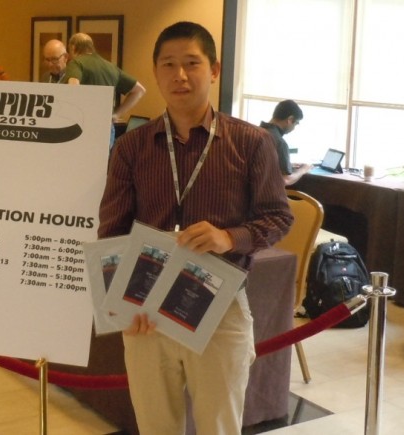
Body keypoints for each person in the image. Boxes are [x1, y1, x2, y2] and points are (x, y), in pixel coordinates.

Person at [98, 21, 292, 434]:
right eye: (168, 64)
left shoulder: (251, 143)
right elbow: (112, 230)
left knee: (219, 426)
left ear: (214, 70)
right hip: (146, 311)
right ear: (155, 73)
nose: (179, 75)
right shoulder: (132, 146)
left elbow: (278, 216)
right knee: (155, 426)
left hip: (219, 304)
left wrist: (229, 238)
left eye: (192, 63)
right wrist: (124, 303)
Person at [64, 32, 146, 146]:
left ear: (73, 48)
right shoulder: (111, 67)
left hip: (85, 126)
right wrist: (116, 114)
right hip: (107, 127)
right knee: (104, 163)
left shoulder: (76, 63)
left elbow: (73, 87)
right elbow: (139, 90)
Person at [260, 100, 312, 185]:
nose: (294, 128)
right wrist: (303, 169)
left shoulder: (256, 132)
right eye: (296, 123)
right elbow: (286, 180)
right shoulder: (280, 143)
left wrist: (287, 165)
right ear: (290, 119)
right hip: (269, 195)